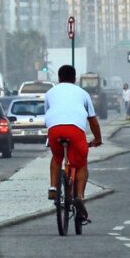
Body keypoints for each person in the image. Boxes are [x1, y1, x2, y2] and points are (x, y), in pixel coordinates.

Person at [44, 65, 102, 223]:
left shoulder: (50, 93)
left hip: (54, 129)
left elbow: (48, 116)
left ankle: (53, 187)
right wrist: (97, 139)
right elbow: (93, 121)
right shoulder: (83, 94)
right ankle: (80, 197)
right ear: (75, 78)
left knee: (57, 157)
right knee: (81, 164)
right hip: (75, 131)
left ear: (59, 78)